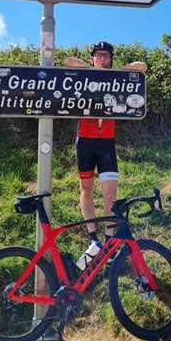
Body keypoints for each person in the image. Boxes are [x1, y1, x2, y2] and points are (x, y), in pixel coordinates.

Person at [65, 41, 147, 259]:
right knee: (87, 191)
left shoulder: (116, 79)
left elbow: (142, 66)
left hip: (107, 143)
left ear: (111, 59)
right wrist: (95, 72)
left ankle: (109, 244)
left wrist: (111, 74)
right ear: (92, 57)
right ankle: (94, 239)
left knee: (110, 194)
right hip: (85, 142)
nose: (102, 58)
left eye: (106, 56)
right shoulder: (85, 75)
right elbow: (68, 62)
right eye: (99, 55)